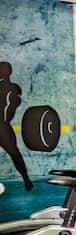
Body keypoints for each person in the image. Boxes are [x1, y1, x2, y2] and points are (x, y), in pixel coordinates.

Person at [0, 61, 31, 190]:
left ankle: (26, 178)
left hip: (3, 126)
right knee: (15, 153)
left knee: (14, 153)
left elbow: (10, 108)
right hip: (3, 126)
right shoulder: (12, 88)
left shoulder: (13, 88)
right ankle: (26, 179)